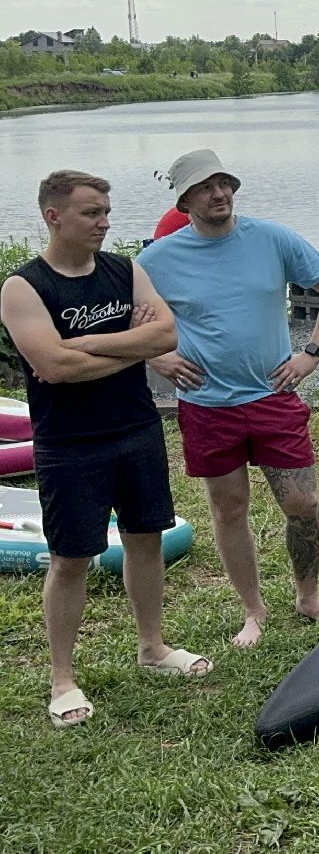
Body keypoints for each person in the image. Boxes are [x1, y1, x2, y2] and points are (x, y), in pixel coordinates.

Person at [1, 171, 210, 728]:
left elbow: (166, 336)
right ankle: (63, 680)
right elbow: (53, 367)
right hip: (69, 444)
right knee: (71, 559)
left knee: (145, 539)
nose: (104, 221)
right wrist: (129, 347)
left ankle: (152, 648)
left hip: (136, 429)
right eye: (92, 212)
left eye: (105, 211)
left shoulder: (124, 269)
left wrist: (89, 344)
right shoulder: (25, 287)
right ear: (54, 216)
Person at [138, 149, 319, 647]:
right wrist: (157, 359)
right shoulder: (159, 259)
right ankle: (254, 611)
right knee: (229, 510)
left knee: (301, 501)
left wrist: (312, 353)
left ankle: (309, 597)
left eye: (224, 184)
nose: (219, 194)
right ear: (185, 199)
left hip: (273, 395)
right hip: (208, 405)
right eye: (205, 188)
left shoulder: (271, 238)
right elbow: (127, 317)